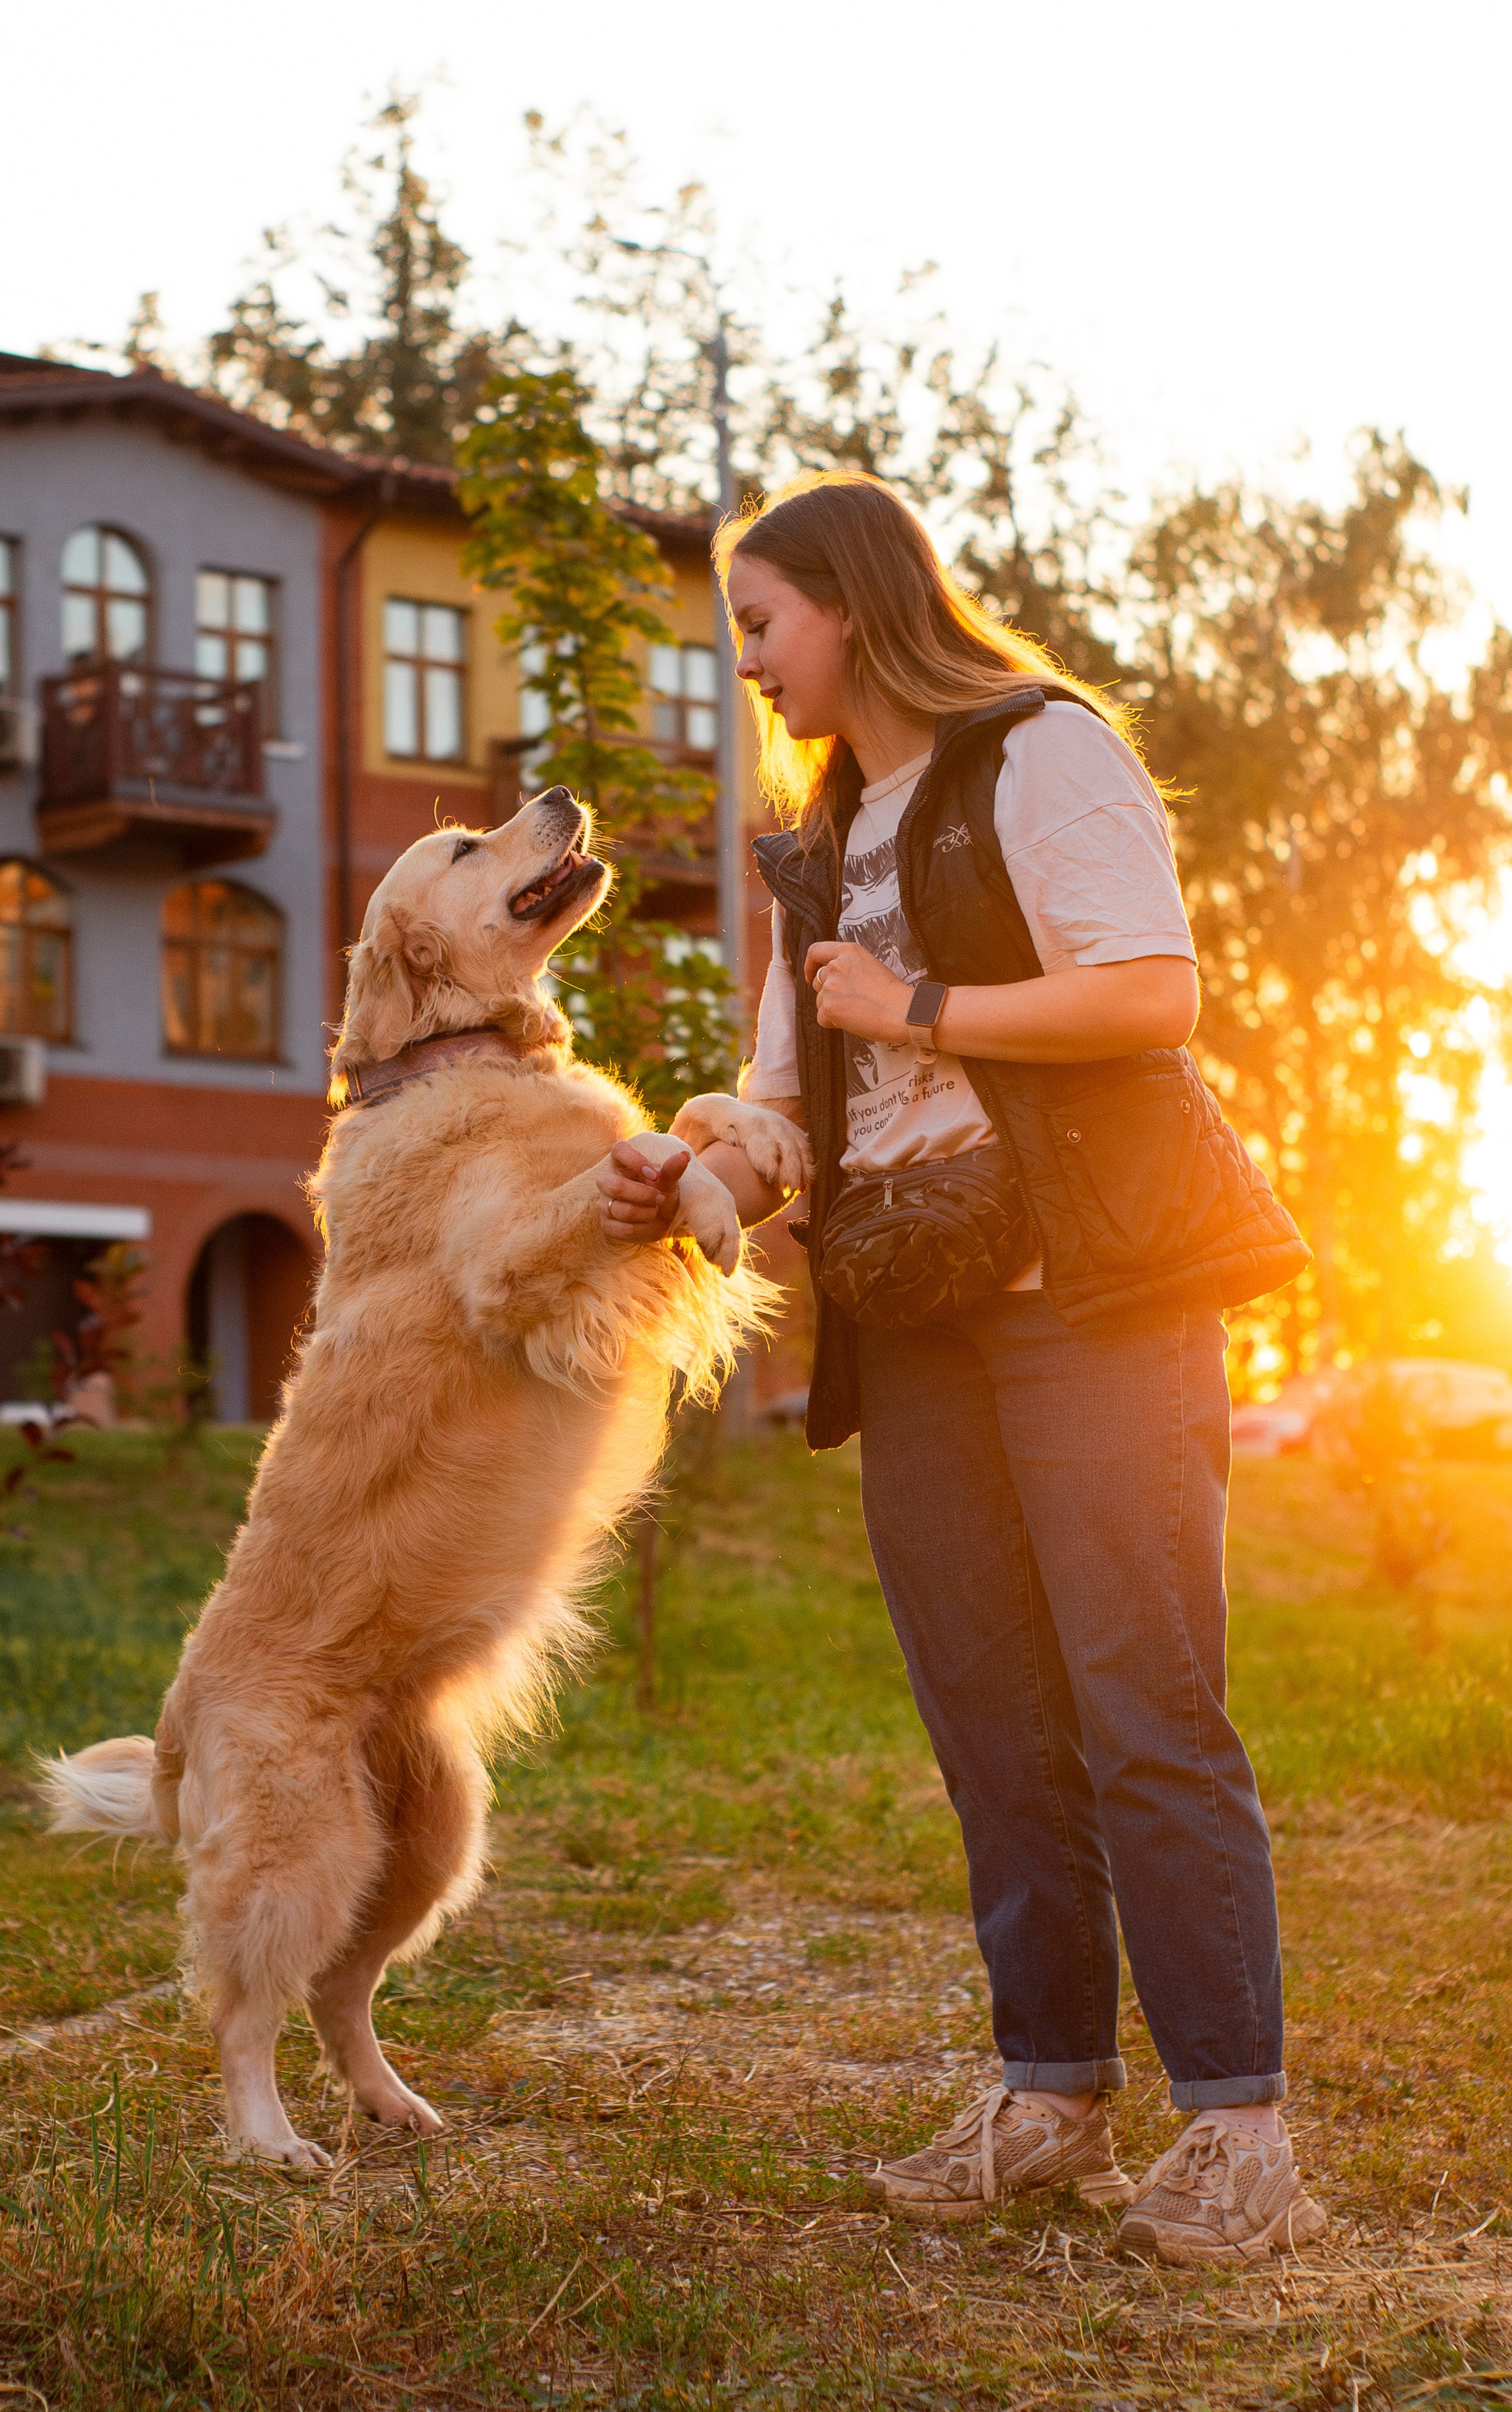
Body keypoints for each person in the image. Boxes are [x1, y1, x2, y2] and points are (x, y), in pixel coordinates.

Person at [596, 471, 1323, 2268]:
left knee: (1141, 1698)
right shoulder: (827, 832)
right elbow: (788, 1109)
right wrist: (685, 1181)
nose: (746, 662)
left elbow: (1149, 993)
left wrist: (914, 1006)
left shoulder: (1036, 752)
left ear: (852, 601)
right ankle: (1050, 2092)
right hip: (911, 1308)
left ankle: (1237, 2129)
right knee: (990, 1716)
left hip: (1091, 1284)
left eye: (760, 621)